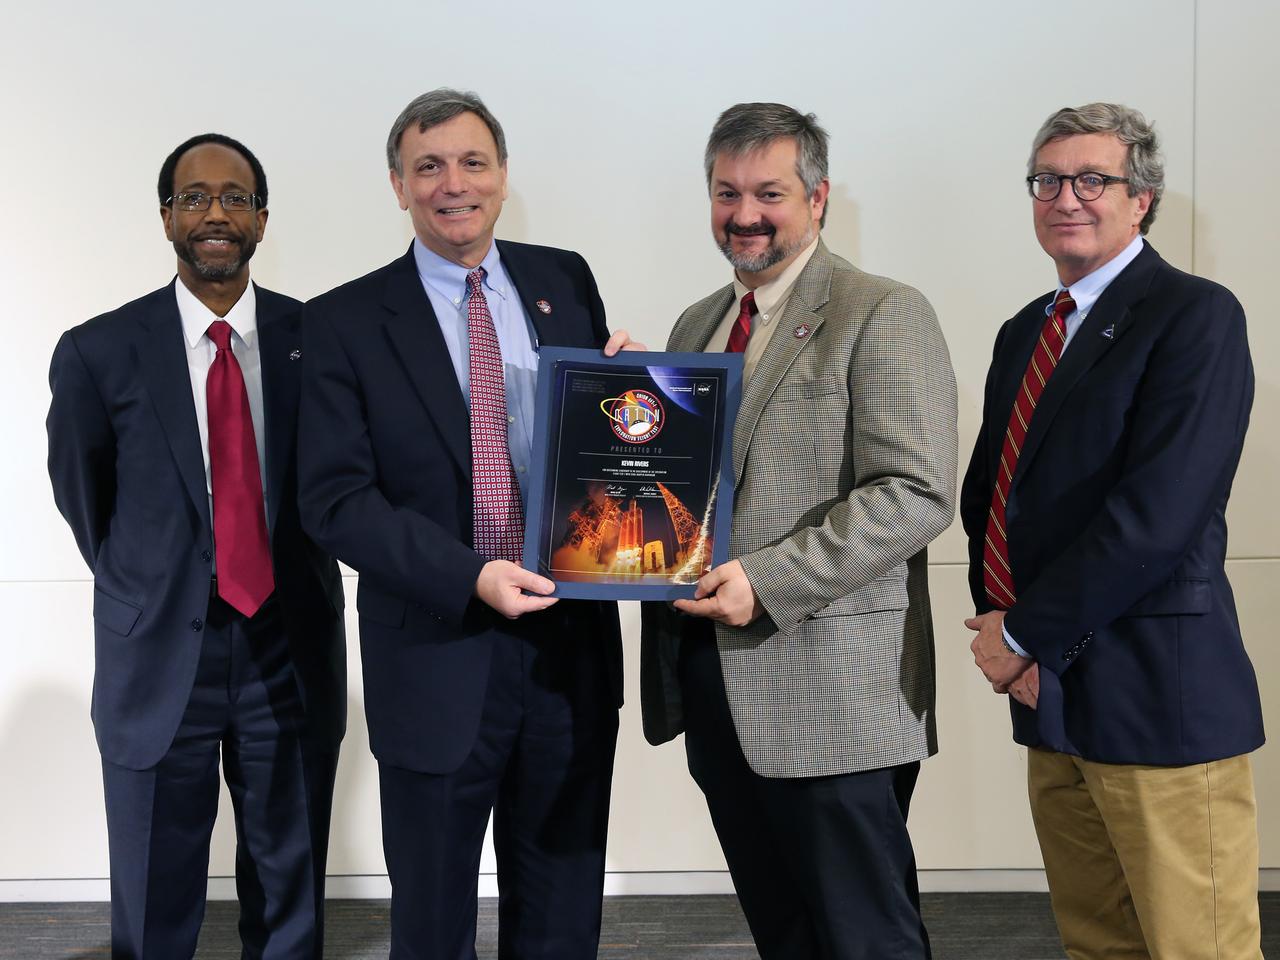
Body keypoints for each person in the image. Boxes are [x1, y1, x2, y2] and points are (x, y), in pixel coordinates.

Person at [297, 88, 633, 959]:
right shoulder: (340, 321)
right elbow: (335, 501)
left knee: (562, 918)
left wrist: (636, 404)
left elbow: (593, 462)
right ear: (398, 185)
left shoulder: (565, 279)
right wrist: (469, 574)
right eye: (429, 166)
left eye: (473, 162)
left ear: (504, 175)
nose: (455, 184)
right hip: (437, 662)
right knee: (434, 926)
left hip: (569, 658)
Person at [640, 101, 957, 959]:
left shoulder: (882, 311)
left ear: (817, 198)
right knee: (786, 935)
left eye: (769, 193)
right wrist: (609, 411)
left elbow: (918, 493)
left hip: (835, 696)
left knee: (867, 939)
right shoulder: (695, 325)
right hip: (714, 685)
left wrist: (769, 580)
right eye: (726, 192)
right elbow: (683, 496)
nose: (745, 214)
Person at [961, 102, 1264, 960]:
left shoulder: (1196, 316)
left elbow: (1157, 518)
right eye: (1048, 180)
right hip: (1052, 695)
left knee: (1194, 947)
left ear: (1143, 199)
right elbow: (993, 499)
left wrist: (1021, 631)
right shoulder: (1028, 329)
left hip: (1158, 697)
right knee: (1097, 944)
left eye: (1094, 179)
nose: (1067, 197)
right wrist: (1007, 631)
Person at [46, 133, 346, 959]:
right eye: (194, 197)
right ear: (167, 219)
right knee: (153, 890)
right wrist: (154, 583)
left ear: (261, 220)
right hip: (159, 653)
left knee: (290, 884)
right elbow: (86, 500)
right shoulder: (98, 351)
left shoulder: (315, 339)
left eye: (236, 197)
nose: (216, 212)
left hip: (288, 648)